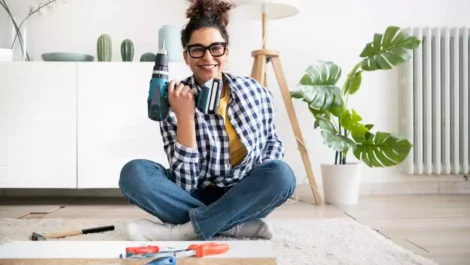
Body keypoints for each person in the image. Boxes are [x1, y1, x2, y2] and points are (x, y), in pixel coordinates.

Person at [118, 0, 296, 241]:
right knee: (133, 174)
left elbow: (272, 145)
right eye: (197, 49)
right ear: (187, 56)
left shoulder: (256, 92)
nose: (207, 57)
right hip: (194, 194)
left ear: (227, 51)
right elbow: (184, 183)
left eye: (216, 48)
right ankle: (231, 225)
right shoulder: (173, 100)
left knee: (282, 175)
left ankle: (184, 231)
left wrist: (251, 188)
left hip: (242, 193)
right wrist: (185, 116)